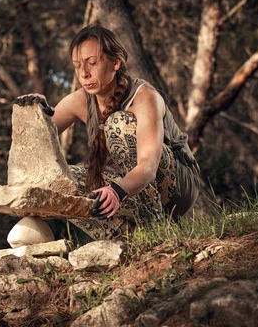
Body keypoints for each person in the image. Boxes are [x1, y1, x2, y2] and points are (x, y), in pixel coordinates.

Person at [15, 25, 200, 240]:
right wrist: (35, 113)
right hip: (127, 188)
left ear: (115, 62)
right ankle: (127, 240)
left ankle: (156, 231)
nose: (84, 73)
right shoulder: (80, 100)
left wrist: (117, 191)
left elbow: (148, 167)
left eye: (92, 63)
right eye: (77, 66)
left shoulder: (144, 96)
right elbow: (37, 140)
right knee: (64, 181)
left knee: (118, 124)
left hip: (176, 187)